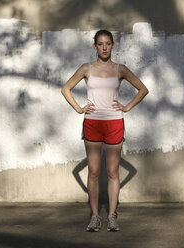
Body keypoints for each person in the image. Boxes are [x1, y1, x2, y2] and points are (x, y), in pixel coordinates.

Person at [61, 29, 148, 232]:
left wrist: (126, 107)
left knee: (112, 172)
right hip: (92, 122)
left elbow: (143, 89)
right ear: (95, 47)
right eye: (100, 44)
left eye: (108, 43)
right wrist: (79, 108)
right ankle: (94, 216)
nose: (104, 47)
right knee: (93, 172)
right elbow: (65, 88)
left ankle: (111, 215)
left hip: (114, 123)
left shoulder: (120, 69)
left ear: (113, 46)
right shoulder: (86, 68)